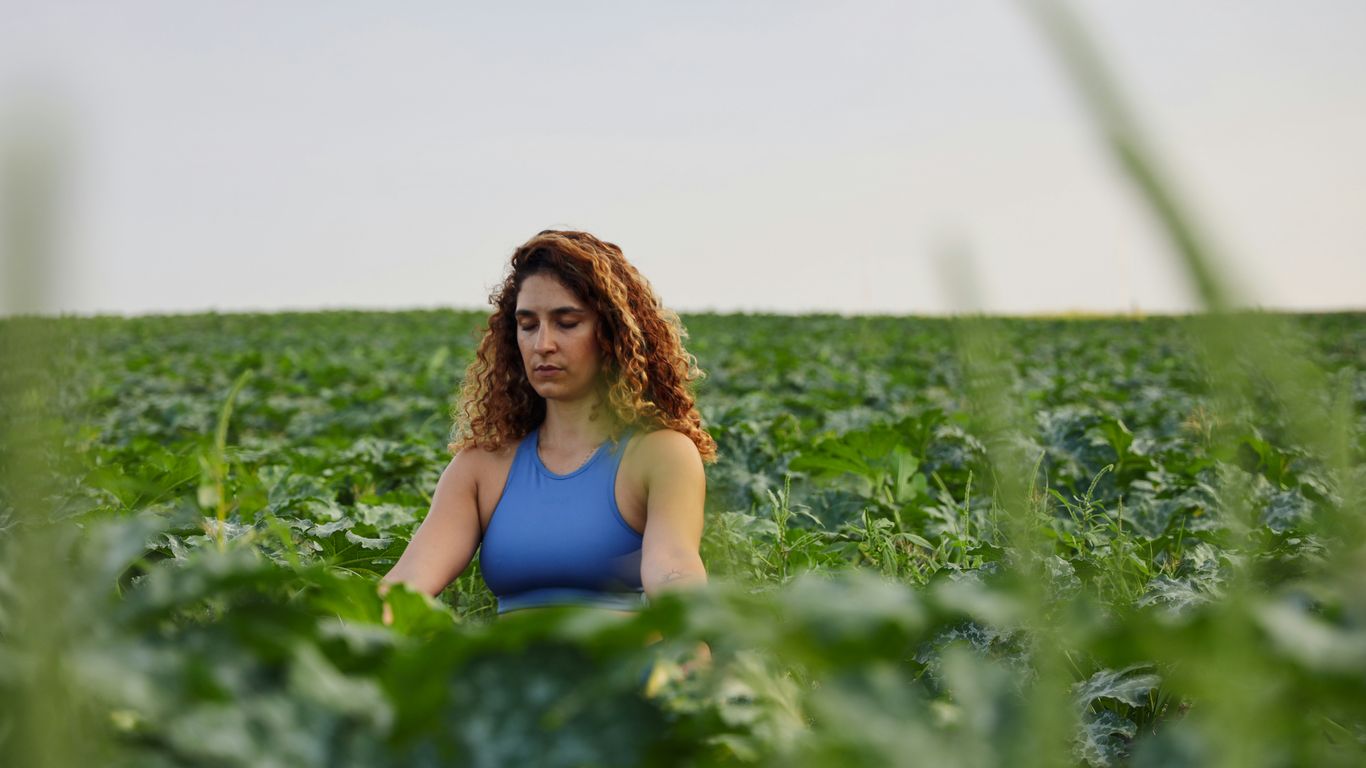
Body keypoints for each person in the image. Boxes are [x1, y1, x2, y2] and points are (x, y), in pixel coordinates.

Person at [378, 229, 715, 678]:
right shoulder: (481, 466)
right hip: (512, 705)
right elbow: (404, 587)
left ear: (610, 333)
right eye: (528, 323)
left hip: (621, 695)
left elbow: (673, 569)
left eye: (567, 322)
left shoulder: (661, 454)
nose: (543, 344)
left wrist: (694, 651)